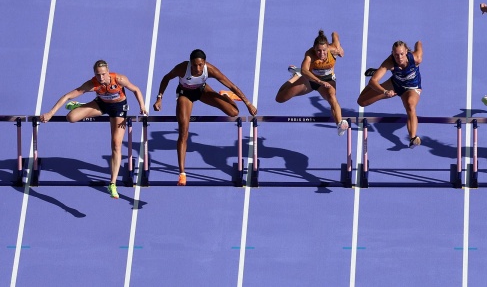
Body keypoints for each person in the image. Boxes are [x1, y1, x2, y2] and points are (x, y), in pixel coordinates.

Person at [40, 60, 148, 199]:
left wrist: (142, 106)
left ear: (108, 71)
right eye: (98, 75)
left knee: (116, 144)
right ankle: (80, 106)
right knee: (71, 118)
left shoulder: (120, 79)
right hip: (101, 105)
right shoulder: (92, 84)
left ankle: (112, 183)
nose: (101, 78)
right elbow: (67, 96)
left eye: (103, 74)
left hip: (119, 109)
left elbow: (136, 90)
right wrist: (50, 113)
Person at [153, 49, 257, 186]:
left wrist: (248, 103)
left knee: (233, 112)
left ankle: (225, 96)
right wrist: (159, 98)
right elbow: (166, 78)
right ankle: (182, 173)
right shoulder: (182, 68)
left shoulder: (210, 69)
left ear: (204, 63)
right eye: (195, 65)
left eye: (200, 65)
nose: (198, 68)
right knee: (183, 132)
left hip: (202, 90)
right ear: (190, 63)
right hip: (185, 95)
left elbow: (232, 85)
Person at [275, 30, 349, 136]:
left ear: (328, 47)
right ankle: (295, 76)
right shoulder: (309, 54)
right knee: (280, 98)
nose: (322, 54)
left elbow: (335, 34)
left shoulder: (334, 50)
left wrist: (340, 47)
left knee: (332, 97)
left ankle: (340, 124)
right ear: (314, 49)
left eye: (324, 50)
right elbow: (305, 70)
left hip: (328, 80)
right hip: (310, 80)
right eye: (318, 51)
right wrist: (319, 81)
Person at [357, 40, 423, 148]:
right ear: (392, 53)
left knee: (410, 106)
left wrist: (418, 42)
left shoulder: (416, 58)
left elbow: (419, 47)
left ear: (406, 51)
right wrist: (385, 91)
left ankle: (413, 138)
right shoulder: (389, 62)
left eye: (401, 54)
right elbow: (372, 82)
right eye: (396, 55)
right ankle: (379, 71)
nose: (399, 57)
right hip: (395, 84)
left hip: (412, 87)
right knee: (361, 102)